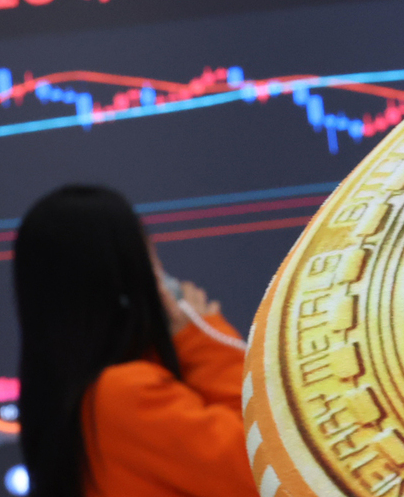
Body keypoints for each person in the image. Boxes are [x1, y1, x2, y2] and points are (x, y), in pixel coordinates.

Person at [13, 185, 258, 497]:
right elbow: (266, 467)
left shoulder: (77, 399)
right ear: (127, 274)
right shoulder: (125, 394)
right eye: (150, 259)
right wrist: (201, 339)